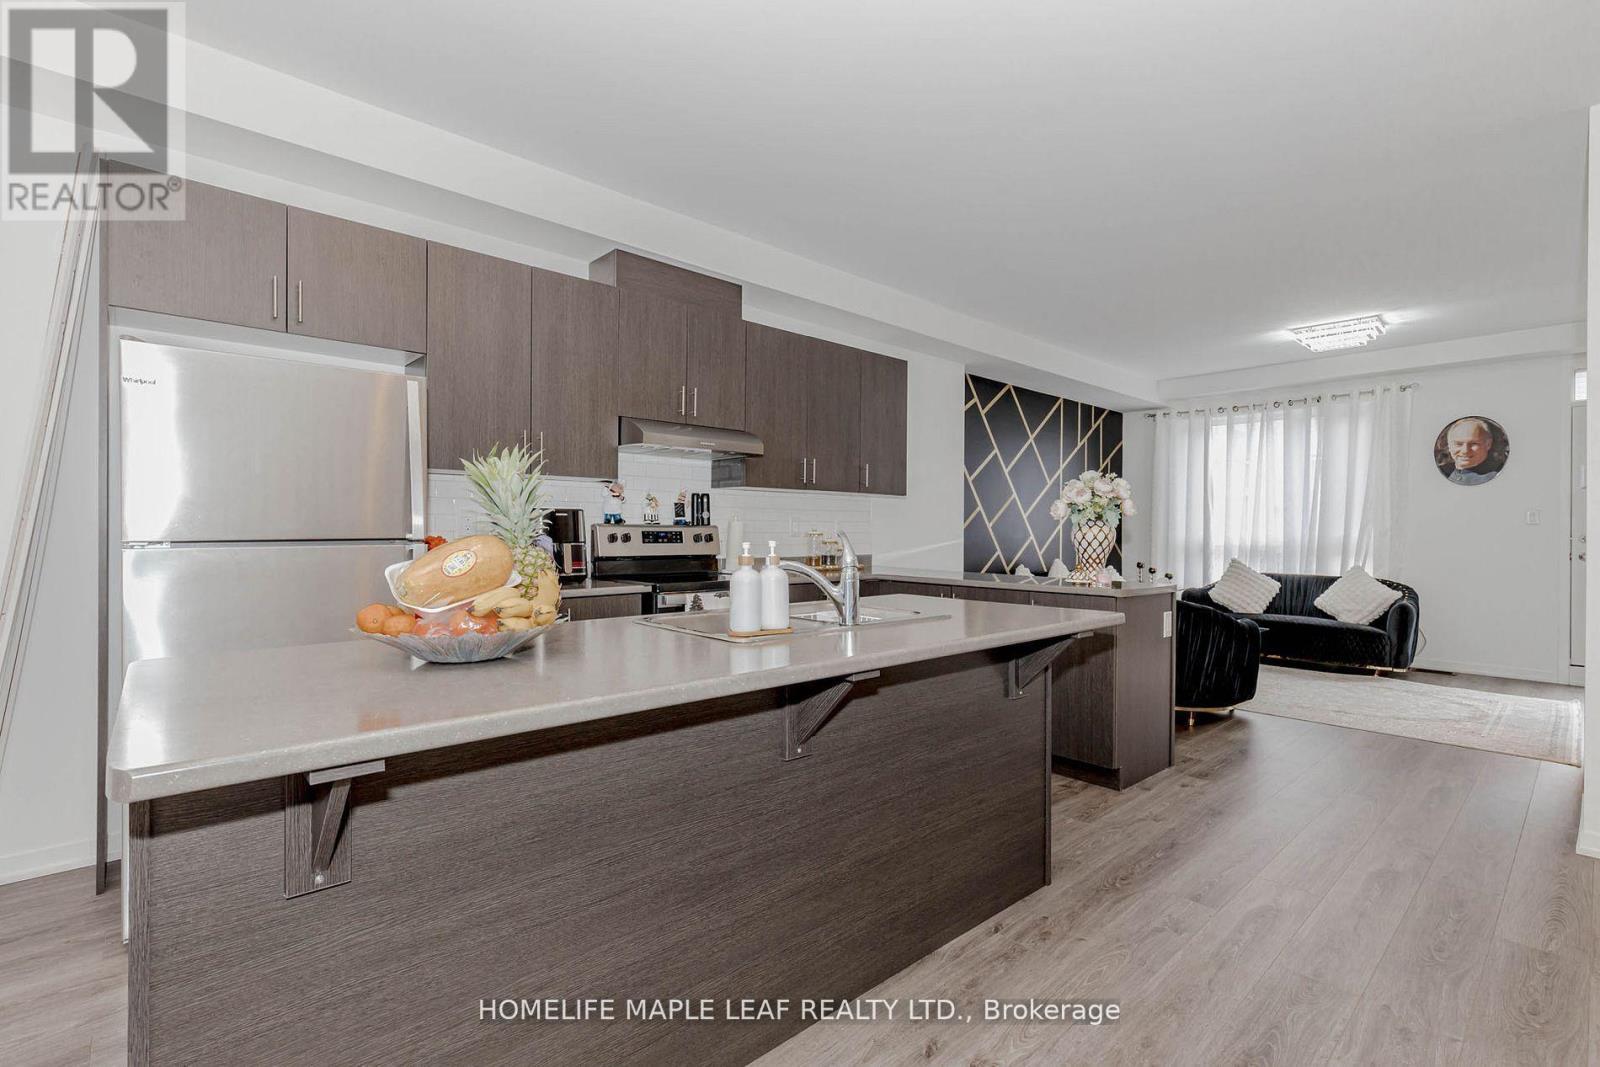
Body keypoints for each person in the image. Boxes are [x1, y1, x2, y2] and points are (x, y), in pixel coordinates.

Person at [1441, 417, 1500, 485]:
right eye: (1458, 444)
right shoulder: (1448, 475)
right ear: (1449, 446)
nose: (1465, 451)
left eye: (1473, 443)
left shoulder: (1495, 477)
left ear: (1488, 444)